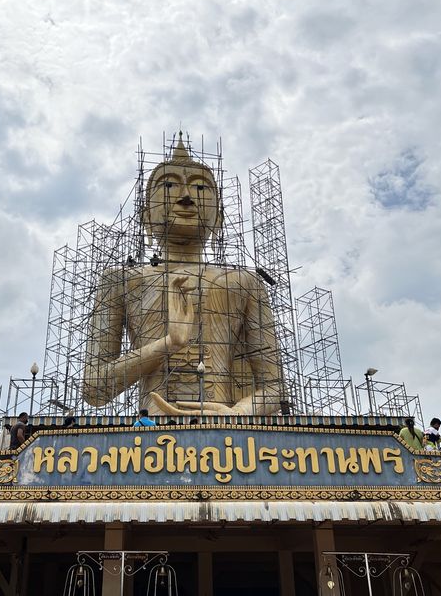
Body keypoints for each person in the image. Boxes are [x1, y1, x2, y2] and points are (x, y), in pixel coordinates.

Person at [83, 134, 288, 417]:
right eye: (168, 185)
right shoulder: (121, 281)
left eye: (201, 188)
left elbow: (275, 387)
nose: (186, 198)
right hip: (149, 437)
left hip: (228, 432)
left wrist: (238, 412)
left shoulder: (245, 283)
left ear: (219, 218)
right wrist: (169, 344)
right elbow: (94, 388)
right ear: (145, 216)